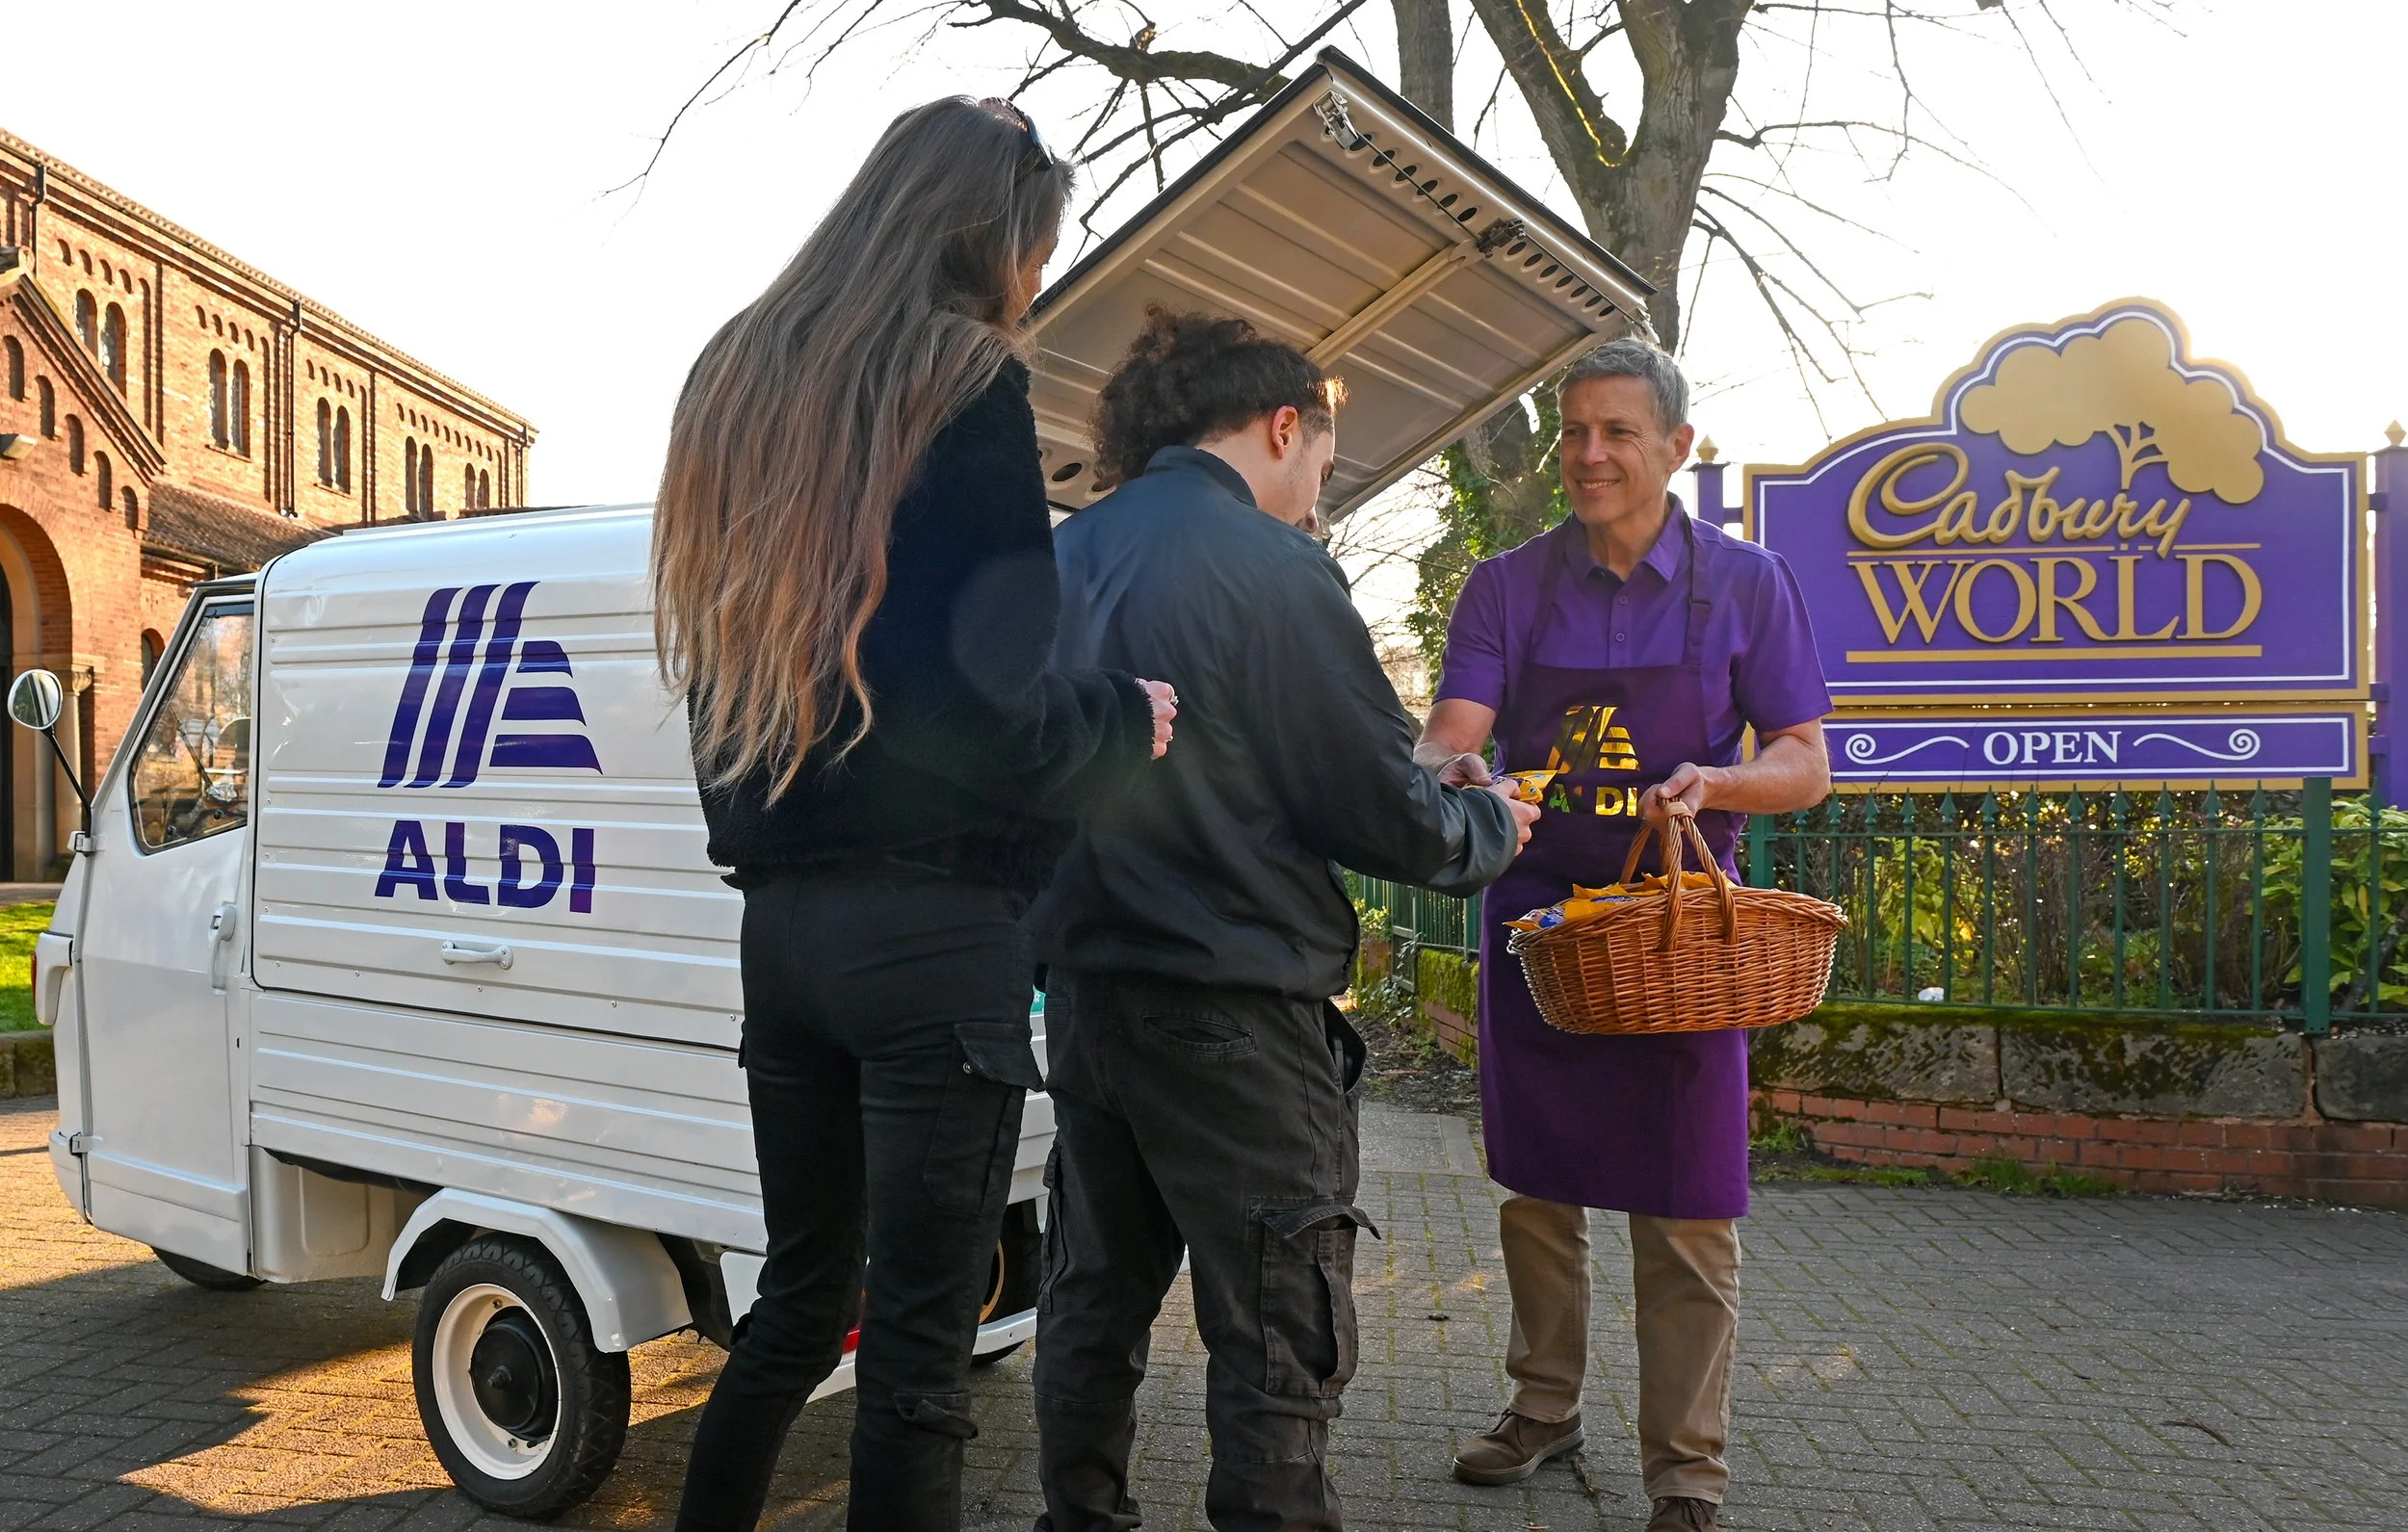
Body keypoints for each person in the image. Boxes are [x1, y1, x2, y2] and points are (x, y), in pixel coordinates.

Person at [649, 97, 1178, 1532]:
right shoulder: (961, 379)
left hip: (784, 932)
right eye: (1039, 251)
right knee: (922, 1357)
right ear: (991, 235)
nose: (1037, 284)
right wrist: (1124, 718)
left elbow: (739, 670)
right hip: (934, 934)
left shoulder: (741, 375)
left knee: (798, 1300)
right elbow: (987, 700)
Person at [1025, 308, 1539, 1532]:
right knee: (1277, 1331)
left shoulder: (1057, 560)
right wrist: (1491, 826)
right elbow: (1377, 811)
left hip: (1088, 1001)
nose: (1320, 486)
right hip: (1237, 1015)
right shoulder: (1270, 566)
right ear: (1278, 423)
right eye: (1321, 456)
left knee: (1091, 1303)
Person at [1415, 338, 1832, 1532]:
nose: (1589, 455)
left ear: (1676, 448)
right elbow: (1453, 727)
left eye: (1617, 433)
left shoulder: (1746, 583)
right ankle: (1541, 1408)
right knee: (1535, 1189)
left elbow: (1805, 762)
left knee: (1689, 1201)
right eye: (1574, 432)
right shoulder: (1505, 583)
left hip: (1679, 938)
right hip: (1540, 925)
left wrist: (1720, 781)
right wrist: (1452, 770)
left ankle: (1686, 1473)